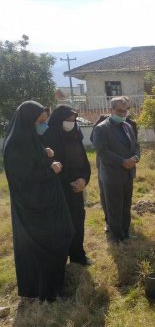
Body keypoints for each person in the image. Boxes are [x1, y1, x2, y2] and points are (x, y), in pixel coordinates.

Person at [3, 101, 74, 301]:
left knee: (61, 236)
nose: (44, 125)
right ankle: (47, 291)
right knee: (45, 246)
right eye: (40, 121)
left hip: (46, 202)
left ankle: (55, 284)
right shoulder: (16, 144)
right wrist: (50, 169)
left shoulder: (30, 139)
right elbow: (23, 178)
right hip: (34, 207)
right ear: (28, 121)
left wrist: (44, 153)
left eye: (45, 121)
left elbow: (31, 161)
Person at [43, 105, 92, 266]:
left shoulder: (76, 134)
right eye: (68, 119)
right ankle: (59, 260)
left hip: (77, 187)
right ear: (58, 119)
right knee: (61, 225)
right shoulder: (48, 137)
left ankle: (78, 255)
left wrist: (84, 180)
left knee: (78, 222)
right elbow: (50, 165)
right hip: (58, 188)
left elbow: (84, 162)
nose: (72, 123)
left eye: (74, 120)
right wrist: (67, 181)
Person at [92, 97, 141, 243]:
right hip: (112, 175)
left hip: (128, 173)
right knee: (114, 207)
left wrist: (136, 158)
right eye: (119, 110)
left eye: (125, 111)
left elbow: (136, 145)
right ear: (111, 110)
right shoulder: (101, 128)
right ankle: (116, 236)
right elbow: (102, 152)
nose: (123, 113)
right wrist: (122, 162)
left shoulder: (128, 126)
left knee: (126, 205)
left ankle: (125, 233)